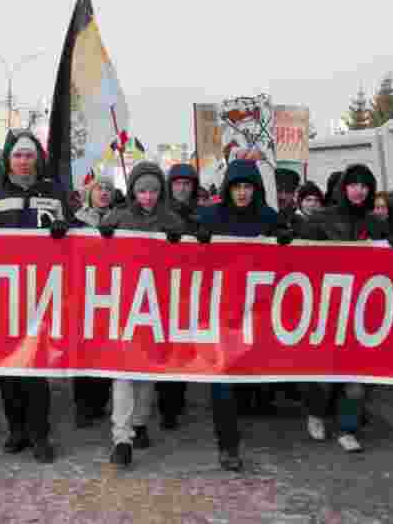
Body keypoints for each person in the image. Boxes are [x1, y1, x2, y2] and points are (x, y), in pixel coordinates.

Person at [0, 131, 70, 463]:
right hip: (4, 293)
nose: (23, 161)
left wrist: (65, 230)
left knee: (35, 368)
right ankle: (16, 430)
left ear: (37, 159)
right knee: (8, 369)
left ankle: (39, 435)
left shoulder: (54, 192)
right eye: (17, 155)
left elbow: (74, 232)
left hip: (42, 292)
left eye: (29, 155)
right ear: (8, 159)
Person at [298, 164, 392, 453]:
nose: (359, 190)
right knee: (325, 373)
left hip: (363, 309)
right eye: (353, 184)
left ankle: (348, 429)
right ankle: (316, 413)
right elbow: (301, 257)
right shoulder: (322, 220)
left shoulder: (377, 224)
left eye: (364, 185)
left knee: (357, 377)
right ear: (344, 188)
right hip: (328, 307)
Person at [100, 162, 185, 468]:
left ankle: (139, 421)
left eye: (153, 191)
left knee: (147, 371)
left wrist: (186, 240)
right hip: (124, 303)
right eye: (141, 191)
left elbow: (189, 260)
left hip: (157, 304)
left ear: (160, 191)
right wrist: (102, 235)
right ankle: (121, 438)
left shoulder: (171, 219)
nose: (147, 196)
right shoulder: (118, 216)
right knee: (123, 371)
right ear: (133, 191)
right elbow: (94, 252)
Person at [197, 159, 279, 471]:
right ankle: (228, 445)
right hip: (221, 310)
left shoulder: (269, 218)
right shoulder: (210, 217)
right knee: (222, 378)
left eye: (247, 187)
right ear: (227, 189)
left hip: (257, 310)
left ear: (256, 189)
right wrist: (192, 238)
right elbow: (182, 249)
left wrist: (287, 239)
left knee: (247, 376)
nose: (242, 193)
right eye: (236, 187)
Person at [154, 163, 205, 431]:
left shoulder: (202, 214)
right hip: (161, 288)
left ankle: (175, 401)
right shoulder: (159, 212)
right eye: (177, 183)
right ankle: (166, 403)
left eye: (187, 184)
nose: (182, 188)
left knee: (181, 348)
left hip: (189, 289)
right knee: (164, 347)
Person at [70, 176, 116, 429]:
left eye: (108, 189)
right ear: (90, 192)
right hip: (82, 291)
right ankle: (82, 405)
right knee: (83, 349)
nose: (104, 192)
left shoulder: (120, 220)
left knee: (105, 349)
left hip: (110, 292)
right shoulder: (76, 220)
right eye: (99, 188)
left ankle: (99, 401)